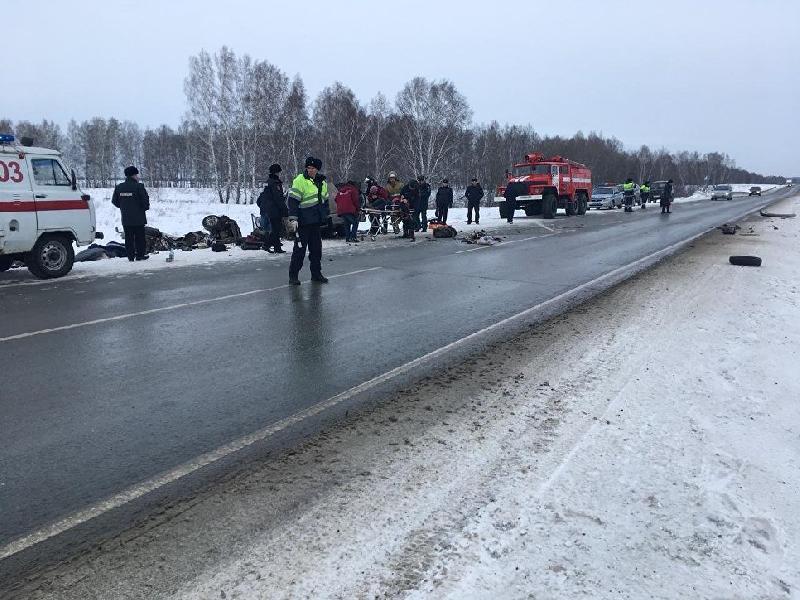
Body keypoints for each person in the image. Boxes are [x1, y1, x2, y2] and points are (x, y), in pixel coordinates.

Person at [287, 156, 329, 284]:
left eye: (313, 168)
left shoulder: (322, 183)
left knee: (316, 250)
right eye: (308, 168)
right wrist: (293, 219)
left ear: (317, 169)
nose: (310, 170)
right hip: (303, 222)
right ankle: (293, 276)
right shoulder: (300, 180)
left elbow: (325, 201)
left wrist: (325, 216)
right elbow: (293, 201)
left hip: (315, 222)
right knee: (299, 251)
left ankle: (316, 274)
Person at [112, 166, 150, 261]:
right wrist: (142, 208)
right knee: (140, 238)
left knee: (128, 239)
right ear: (133, 175)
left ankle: (130, 256)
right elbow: (145, 202)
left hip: (126, 218)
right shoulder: (139, 186)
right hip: (139, 218)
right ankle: (140, 255)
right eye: (136, 175)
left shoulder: (119, 187)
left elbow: (114, 201)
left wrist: (124, 208)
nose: (138, 177)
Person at [256, 163, 288, 253]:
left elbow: (260, 198)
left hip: (267, 210)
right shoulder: (275, 183)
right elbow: (278, 198)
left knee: (275, 229)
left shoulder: (267, 183)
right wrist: (284, 210)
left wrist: (263, 207)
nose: (279, 174)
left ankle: (277, 248)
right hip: (274, 210)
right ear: (276, 172)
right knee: (277, 229)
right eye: (279, 172)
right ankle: (266, 244)